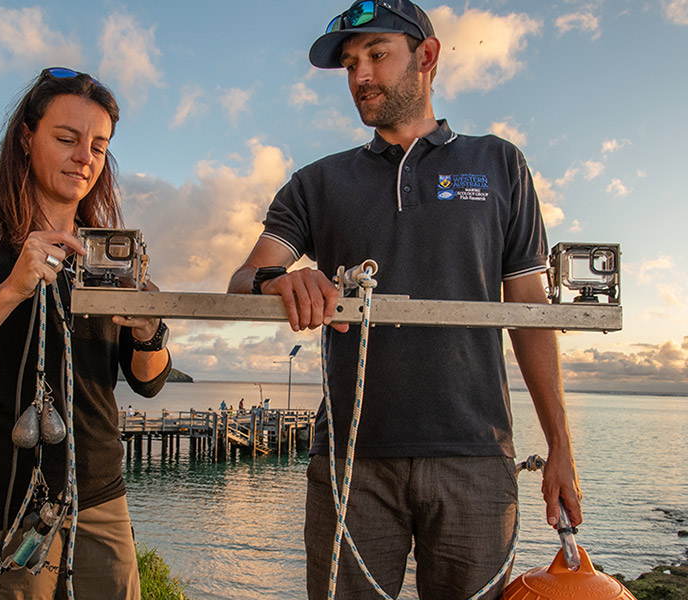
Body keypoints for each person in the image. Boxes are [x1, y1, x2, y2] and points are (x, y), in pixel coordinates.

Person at [227, 2, 582, 598]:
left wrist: (561, 450)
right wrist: (278, 281)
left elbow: (532, 314)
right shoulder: (319, 182)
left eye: (376, 54)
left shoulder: (499, 165)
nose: (360, 75)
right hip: (350, 463)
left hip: (475, 455)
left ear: (429, 56)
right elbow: (245, 276)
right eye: (349, 63)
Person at [0, 67, 171, 600]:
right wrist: (11, 289)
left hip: (100, 503)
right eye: (66, 139)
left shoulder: (104, 258)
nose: (83, 157)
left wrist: (150, 331)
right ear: (26, 138)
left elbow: (147, 383)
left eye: (98, 145)